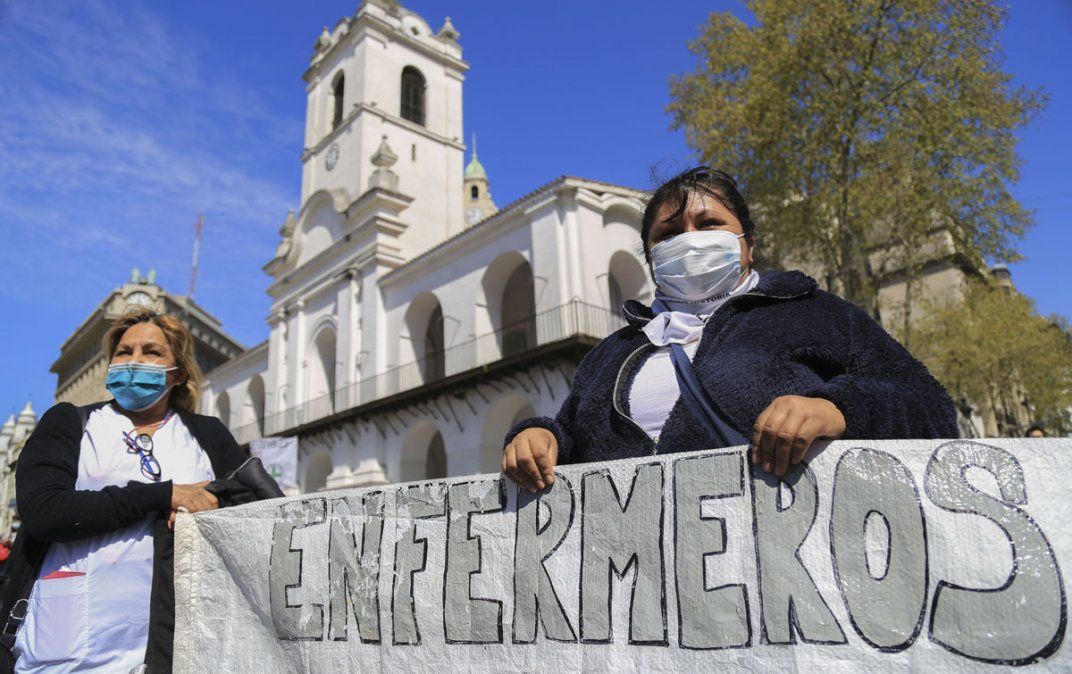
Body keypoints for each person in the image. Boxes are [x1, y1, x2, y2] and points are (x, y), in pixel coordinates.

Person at [502, 167, 958, 491]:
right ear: (651, 256)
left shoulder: (814, 313)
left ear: (748, 244)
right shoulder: (612, 353)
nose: (690, 239)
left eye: (708, 224)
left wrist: (838, 410)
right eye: (669, 233)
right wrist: (540, 438)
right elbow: (569, 433)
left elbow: (931, 407)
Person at [9, 307, 247, 672]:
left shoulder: (208, 434)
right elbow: (44, 511)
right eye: (124, 352)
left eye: (151, 352)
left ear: (178, 372)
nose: (134, 361)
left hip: (173, 645)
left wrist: (206, 510)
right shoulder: (70, 423)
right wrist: (162, 495)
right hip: (69, 644)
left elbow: (248, 511)